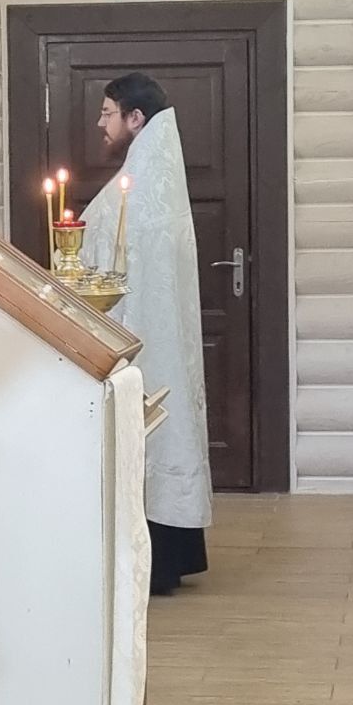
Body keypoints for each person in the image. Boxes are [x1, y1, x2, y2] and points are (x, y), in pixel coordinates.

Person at [81, 72, 213, 595]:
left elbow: (105, 266)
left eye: (107, 112)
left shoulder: (136, 193)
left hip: (139, 338)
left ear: (135, 118)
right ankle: (168, 557)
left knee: (149, 436)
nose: (100, 123)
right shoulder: (152, 179)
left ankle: (152, 561)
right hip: (154, 339)